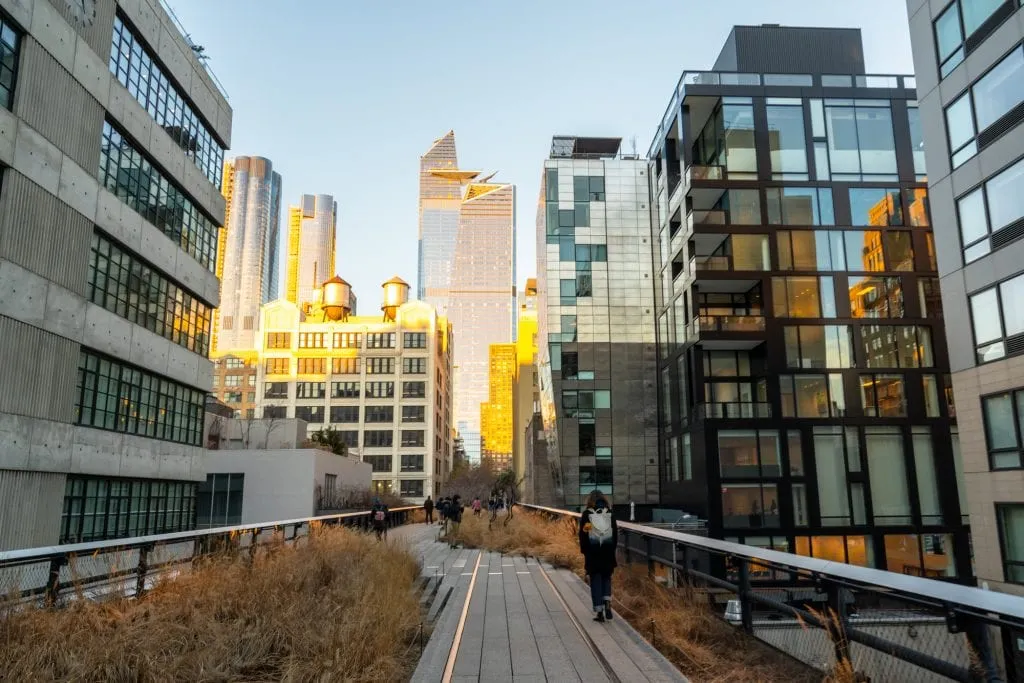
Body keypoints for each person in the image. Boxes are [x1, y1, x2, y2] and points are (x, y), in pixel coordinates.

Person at [579, 490, 617, 622]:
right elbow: (615, 535)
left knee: (596, 581)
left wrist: (584, 551)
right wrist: (612, 551)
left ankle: (600, 612)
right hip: (607, 553)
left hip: (593, 554)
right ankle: (607, 602)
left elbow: (583, 535)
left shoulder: (587, 514)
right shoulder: (609, 514)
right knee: (606, 578)